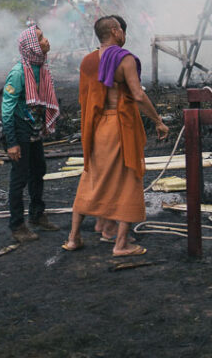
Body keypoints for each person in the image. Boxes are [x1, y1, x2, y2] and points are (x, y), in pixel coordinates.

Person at [62, 15, 169, 255]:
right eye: (121, 29)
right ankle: (121, 244)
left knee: (91, 180)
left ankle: (74, 238)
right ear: (114, 30)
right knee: (128, 180)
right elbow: (138, 95)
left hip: (95, 128)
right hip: (118, 127)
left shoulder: (88, 61)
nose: (124, 33)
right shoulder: (124, 58)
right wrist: (158, 121)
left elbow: (85, 98)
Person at [2, 24, 60, 242]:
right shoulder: (18, 73)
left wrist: (43, 122)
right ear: (32, 46)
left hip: (33, 127)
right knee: (19, 177)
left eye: (44, 37)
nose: (46, 41)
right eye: (41, 39)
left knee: (38, 170)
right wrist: (11, 142)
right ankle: (17, 226)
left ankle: (37, 215)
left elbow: (40, 100)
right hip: (19, 129)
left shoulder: (41, 67)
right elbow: (7, 109)